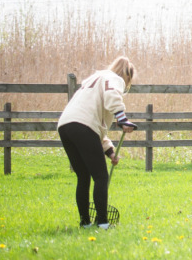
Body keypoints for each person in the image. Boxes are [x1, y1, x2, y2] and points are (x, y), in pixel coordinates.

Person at [57, 56, 138, 229]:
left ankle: (85, 223)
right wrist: (122, 118)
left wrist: (110, 152)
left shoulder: (93, 80)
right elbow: (112, 95)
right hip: (83, 126)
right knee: (101, 177)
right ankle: (102, 223)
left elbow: (96, 130)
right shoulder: (114, 79)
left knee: (83, 176)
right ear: (127, 76)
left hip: (65, 126)